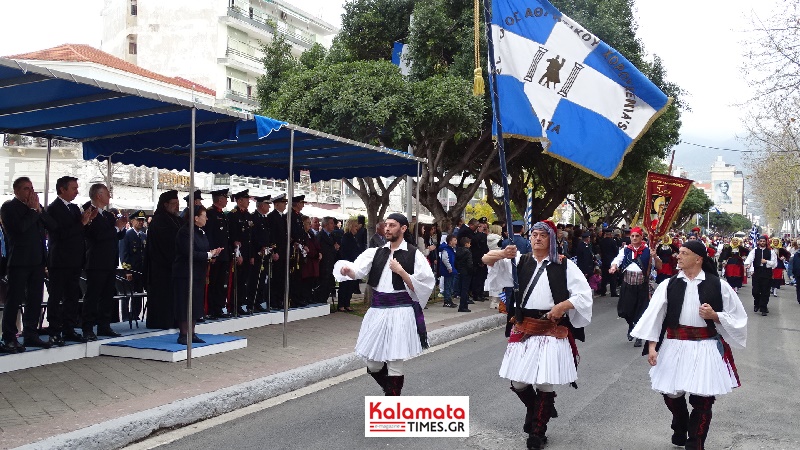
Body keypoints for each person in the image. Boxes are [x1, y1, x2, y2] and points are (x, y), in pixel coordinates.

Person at [482, 220, 593, 450]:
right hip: (524, 326)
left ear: (551, 239)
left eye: (543, 235)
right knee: (519, 381)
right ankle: (537, 410)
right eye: (534, 234)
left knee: (544, 382)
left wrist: (562, 306)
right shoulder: (519, 260)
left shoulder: (564, 265)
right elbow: (486, 260)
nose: (537, 238)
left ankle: (537, 433)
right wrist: (503, 253)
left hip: (552, 328)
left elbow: (583, 295)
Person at [631, 239, 746, 450]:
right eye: (679, 252)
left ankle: (696, 442)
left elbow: (738, 317)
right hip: (674, 343)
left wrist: (715, 315)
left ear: (698, 259)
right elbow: (654, 317)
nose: (678, 256)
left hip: (705, 345)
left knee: (703, 398)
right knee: (672, 393)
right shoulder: (668, 284)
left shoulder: (719, 285)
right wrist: (651, 347)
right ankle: (681, 423)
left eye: (684, 253)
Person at [338, 213, 435, 396]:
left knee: (394, 361)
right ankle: (390, 390)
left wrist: (402, 272)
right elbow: (357, 271)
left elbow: (425, 285)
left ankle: (392, 401)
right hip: (377, 310)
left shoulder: (414, 254)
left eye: (392, 225)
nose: (387, 228)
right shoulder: (376, 252)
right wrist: (348, 270)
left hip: (401, 310)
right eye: (386, 225)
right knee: (373, 364)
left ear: (403, 228)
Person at [0, 177, 58, 352]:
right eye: (26, 189)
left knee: (35, 298)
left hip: (37, 261)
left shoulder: (35, 209)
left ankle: (31, 334)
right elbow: (19, 229)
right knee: (14, 299)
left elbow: (53, 226)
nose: (31, 192)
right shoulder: (9, 207)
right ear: (16, 190)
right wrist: (33, 211)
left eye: (32, 188)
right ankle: (9, 337)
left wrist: (39, 210)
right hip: (19, 261)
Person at [46, 176, 94, 345]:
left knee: (72, 296)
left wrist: (87, 222)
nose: (76, 192)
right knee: (56, 296)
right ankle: (53, 329)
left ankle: (69, 328)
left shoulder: (74, 208)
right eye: (73, 188)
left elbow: (79, 232)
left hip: (75, 260)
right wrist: (81, 223)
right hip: (59, 260)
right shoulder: (53, 209)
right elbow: (59, 234)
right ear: (62, 189)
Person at [82, 183, 127, 340]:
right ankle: (87, 327)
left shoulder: (108, 215)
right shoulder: (88, 211)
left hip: (110, 260)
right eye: (107, 193)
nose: (110, 196)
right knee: (93, 295)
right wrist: (115, 228)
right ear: (98, 195)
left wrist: (121, 227)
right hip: (96, 261)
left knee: (108, 295)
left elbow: (116, 236)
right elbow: (97, 235)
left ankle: (104, 325)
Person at [173, 206, 224, 345]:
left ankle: (192, 333)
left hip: (198, 273)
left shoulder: (201, 232)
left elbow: (202, 250)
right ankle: (183, 334)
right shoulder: (185, 232)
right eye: (204, 215)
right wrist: (208, 254)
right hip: (185, 274)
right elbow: (189, 252)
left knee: (195, 303)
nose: (206, 218)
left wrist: (212, 255)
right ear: (196, 217)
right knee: (185, 303)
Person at [610, 226, 660, 347]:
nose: (634, 238)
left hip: (642, 285)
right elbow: (617, 260)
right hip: (627, 283)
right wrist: (613, 266)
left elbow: (659, 266)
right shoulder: (626, 250)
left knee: (641, 311)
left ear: (641, 237)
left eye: (637, 236)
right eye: (632, 236)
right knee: (624, 310)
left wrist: (655, 256)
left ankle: (638, 336)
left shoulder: (648, 250)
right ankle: (631, 326)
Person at [146, 190, 183, 329]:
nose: (177, 206)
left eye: (178, 203)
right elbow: (166, 243)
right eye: (174, 204)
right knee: (162, 297)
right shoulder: (160, 220)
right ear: (165, 204)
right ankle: (161, 322)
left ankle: (174, 320)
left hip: (174, 266)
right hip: (161, 267)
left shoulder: (178, 220)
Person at [204, 189, 232, 319]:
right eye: (225, 198)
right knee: (213, 283)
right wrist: (212, 254)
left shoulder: (223, 214)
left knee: (222, 283)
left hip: (224, 255)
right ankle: (211, 309)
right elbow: (209, 235)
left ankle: (219, 307)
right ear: (219, 199)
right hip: (215, 255)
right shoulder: (210, 213)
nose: (227, 200)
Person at [228, 190, 254, 315]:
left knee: (244, 281)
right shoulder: (233, 215)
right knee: (237, 281)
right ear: (239, 201)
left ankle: (240, 304)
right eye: (246, 199)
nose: (248, 201)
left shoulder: (248, 215)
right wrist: (238, 255)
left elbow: (250, 237)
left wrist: (251, 255)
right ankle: (233, 305)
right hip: (239, 254)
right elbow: (234, 238)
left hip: (247, 253)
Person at [119, 210, 147, 322]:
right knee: (127, 295)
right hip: (131, 270)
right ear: (132, 221)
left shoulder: (143, 236)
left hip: (140, 270)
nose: (141, 222)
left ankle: (135, 314)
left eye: (142, 220)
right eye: (138, 220)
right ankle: (126, 316)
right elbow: (123, 254)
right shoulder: (127, 235)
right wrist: (127, 271)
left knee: (138, 294)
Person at [249, 195, 272, 312]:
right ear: (262, 205)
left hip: (265, 254)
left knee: (262, 279)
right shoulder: (253, 218)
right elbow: (252, 238)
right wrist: (254, 252)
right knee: (254, 280)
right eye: (267, 204)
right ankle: (251, 303)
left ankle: (258, 302)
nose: (269, 207)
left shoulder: (265, 218)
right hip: (257, 253)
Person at [744, 235, 776, 316]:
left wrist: (766, 262)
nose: (762, 242)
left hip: (766, 272)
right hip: (757, 272)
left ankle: (763, 308)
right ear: (758, 242)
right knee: (756, 291)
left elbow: (774, 264)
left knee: (765, 291)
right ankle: (757, 304)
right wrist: (748, 264)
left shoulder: (771, 252)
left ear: (766, 242)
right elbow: (750, 258)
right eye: (761, 241)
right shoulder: (755, 250)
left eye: (763, 241)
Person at [267, 194, 289, 309]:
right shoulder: (272, 217)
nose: (285, 204)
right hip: (277, 252)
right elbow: (272, 236)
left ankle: (280, 300)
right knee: (276, 277)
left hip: (284, 251)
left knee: (282, 278)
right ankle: (274, 301)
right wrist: (274, 251)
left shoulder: (283, 217)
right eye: (283, 202)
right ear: (276, 204)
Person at [337, 218, 361, 312]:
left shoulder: (354, 237)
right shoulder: (346, 237)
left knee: (351, 285)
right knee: (344, 285)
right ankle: (341, 304)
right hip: (347, 264)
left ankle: (347, 303)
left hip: (353, 264)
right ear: (350, 227)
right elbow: (346, 251)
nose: (357, 228)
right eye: (355, 226)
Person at [315, 216, 339, 305]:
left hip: (330, 264)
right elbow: (322, 249)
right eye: (331, 223)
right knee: (323, 285)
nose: (333, 225)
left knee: (328, 284)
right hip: (323, 265)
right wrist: (333, 248)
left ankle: (323, 301)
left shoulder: (332, 235)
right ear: (325, 224)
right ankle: (320, 302)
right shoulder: (320, 235)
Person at [299, 215, 322, 305]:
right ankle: (304, 298)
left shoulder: (311, 234)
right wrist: (315, 254)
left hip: (314, 262)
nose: (309, 225)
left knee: (311, 281)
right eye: (308, 223)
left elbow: (316, 245)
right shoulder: (302, 235)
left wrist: (319, 252)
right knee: (305, 281)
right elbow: (308, 248)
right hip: (307, 262)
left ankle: (309, 297)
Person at [597, 228, 619, 297]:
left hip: (604, 261)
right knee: (613, 278)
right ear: (610, 234)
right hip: (612, 261)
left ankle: (603, 291)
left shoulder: (601, 241)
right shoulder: (613, 241)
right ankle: (613, 292)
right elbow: (616, 252)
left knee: (604, 277)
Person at [455, 236, 474, 312]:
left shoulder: (458, 251)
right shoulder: (468, 252)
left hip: (460, 271)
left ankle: (462, 305)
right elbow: (469, 264)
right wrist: (471, 271)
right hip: (467, 272)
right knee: (465, 289)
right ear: (466, 244)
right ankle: (463, 306)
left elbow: (455, 262)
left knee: (462, 288)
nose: (470, 245)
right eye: (469, 243)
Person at [438, 235, 458, 308]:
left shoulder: (452, 249)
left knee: (450, 286)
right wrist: (449, 267)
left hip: (452, 269)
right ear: (450, 241)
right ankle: (447, 300)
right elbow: (445, 259)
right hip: (448, 270)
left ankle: (449, 299)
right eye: (454, 240)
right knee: (448, 286)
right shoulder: (446, 250)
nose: (456, 242)